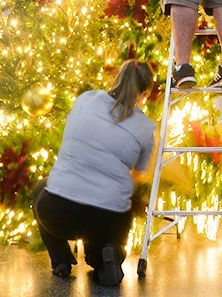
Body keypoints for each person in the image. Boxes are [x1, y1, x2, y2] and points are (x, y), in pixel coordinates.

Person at [32, 60, 155, 285]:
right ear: (145, 93)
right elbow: (137, 177)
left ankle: (60, 260)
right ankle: (108, 255)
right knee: (105, 223)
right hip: (107, 218)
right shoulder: (145, 128)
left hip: (58, 211)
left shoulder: (85, 100)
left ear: (116, 78)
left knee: (41, 187)